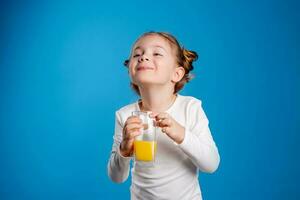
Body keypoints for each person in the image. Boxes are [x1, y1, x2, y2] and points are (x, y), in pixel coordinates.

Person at [107, 31, 220, 200]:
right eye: (137, 54)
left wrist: (181, 134)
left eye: (157, 53)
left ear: (177, 74)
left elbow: (211, 164)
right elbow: (117, 177)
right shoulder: (125, 115)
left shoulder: (190, 107)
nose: (143, 57)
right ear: (130, 71)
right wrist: (124, 149)